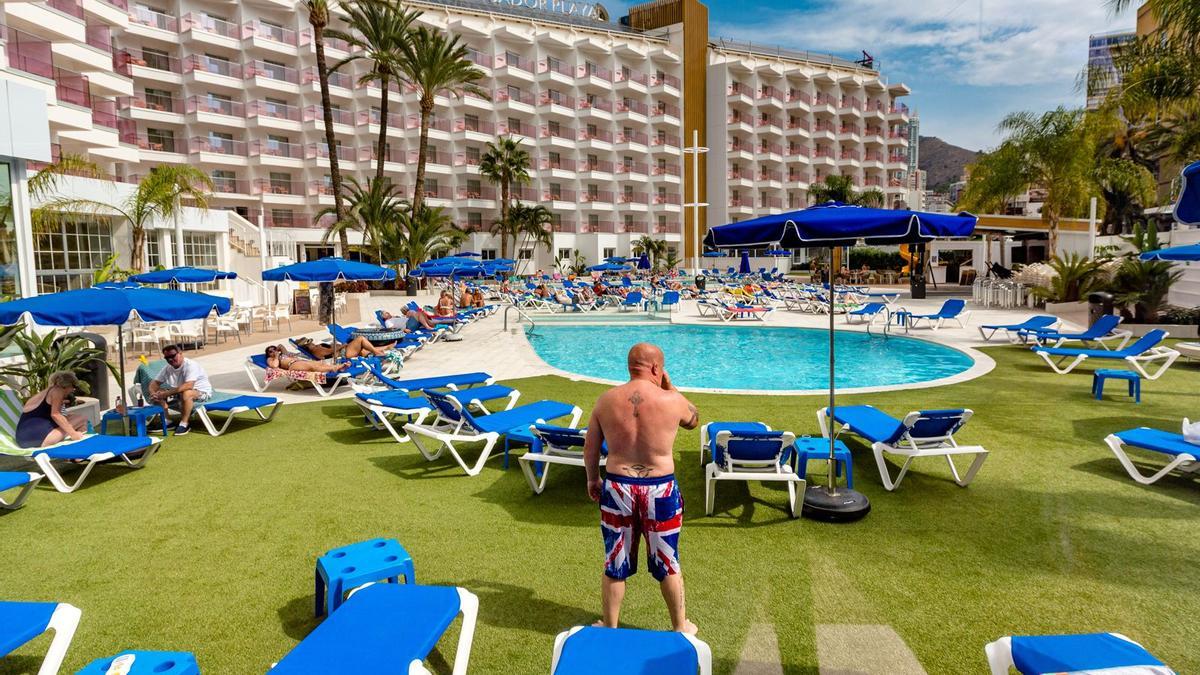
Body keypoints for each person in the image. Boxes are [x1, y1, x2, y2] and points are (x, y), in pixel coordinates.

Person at [583, 343, 700, 634]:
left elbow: (591, 445)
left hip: (618, 487)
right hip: (660, 489)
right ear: (657, 369)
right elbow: (694, 420)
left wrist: (592, 479)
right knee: (668, 560)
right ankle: (680, 626)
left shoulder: (606, 400)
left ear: (630, 366)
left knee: (615, 560)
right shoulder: (672, 401)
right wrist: (672, 389)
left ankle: (609, 626)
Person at [149, 344, 213, 436]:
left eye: (173, 356)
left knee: (186, 393)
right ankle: (167, 421)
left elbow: (189, 385)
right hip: (180, 393)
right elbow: (154, 383)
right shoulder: (168, 368)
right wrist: (154, 393)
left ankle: (184, 423)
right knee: (159, 392)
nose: (170, 359)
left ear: (180, 354)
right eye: (167, 358)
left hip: (201, 392)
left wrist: (166, 393)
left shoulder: (190, 365)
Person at [15, 370, 87, 448]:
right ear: (67, 385)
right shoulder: (58, 391)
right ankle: (79, 450)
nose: (74, 389)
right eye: (74, 386)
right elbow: (55, 415)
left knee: (72, 417)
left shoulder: (46, 392)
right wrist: (73, 434)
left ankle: (77, 449)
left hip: (23, 439)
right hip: (39, 440)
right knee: (82, 419)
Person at [265, 345, 350, 373]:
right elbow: (274, 366)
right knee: (313, 367)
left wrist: (278, 349)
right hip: (293, 365)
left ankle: (338, 367)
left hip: (299, 361)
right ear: (268, 354)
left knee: (320, 363)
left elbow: (281, 346)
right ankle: (336, 367)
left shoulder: (282, 354)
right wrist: (275, 356)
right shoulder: (270, 359)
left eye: (274, 349)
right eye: (270, 351)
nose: (273, 351)